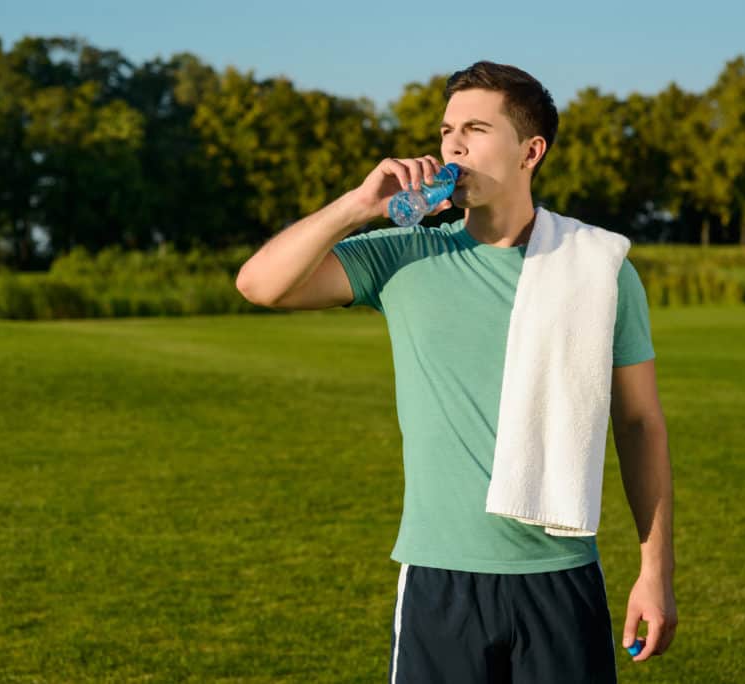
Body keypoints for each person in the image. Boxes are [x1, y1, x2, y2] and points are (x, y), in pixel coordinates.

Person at [236, 60, 677, 683]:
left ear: (531, 150)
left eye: (476, 127)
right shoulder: (405, 254)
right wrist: (361, 204)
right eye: (447, 131)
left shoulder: (598, 268)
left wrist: (655, 573)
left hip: (560, 574)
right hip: (438, 578)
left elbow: (639, 424)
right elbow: (258, 284)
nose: (453, 144)